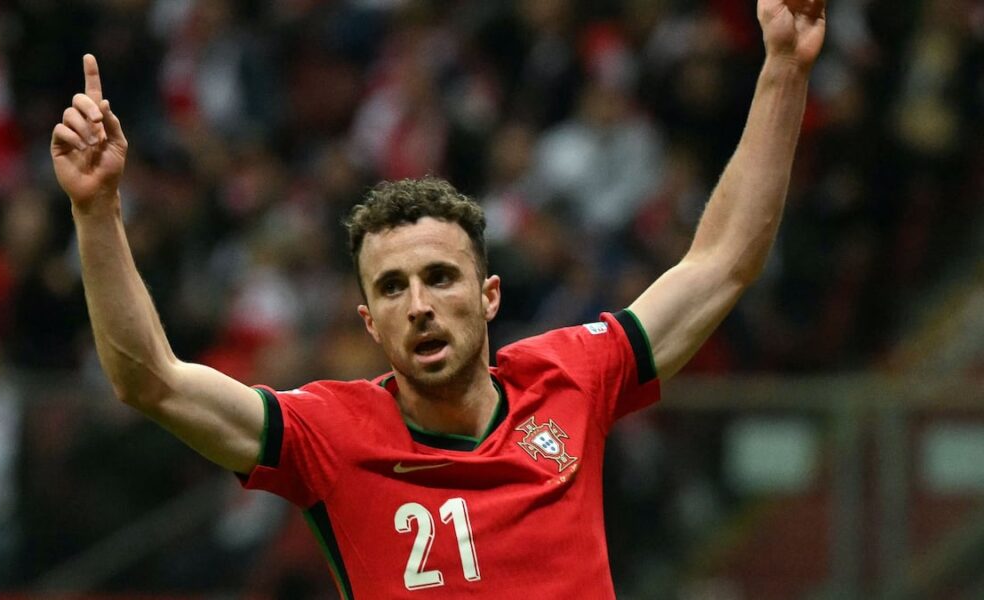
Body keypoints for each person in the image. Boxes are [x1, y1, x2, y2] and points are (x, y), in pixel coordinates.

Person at [50, 0, 826, 597]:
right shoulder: (328, 436)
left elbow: (722, 261)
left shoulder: (571, 377)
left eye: (440, 277)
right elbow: (149, 380)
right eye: (392, 287)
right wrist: (96, 210)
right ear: (369, 323)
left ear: (489, 296)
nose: (418, 303)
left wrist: (785, 68)